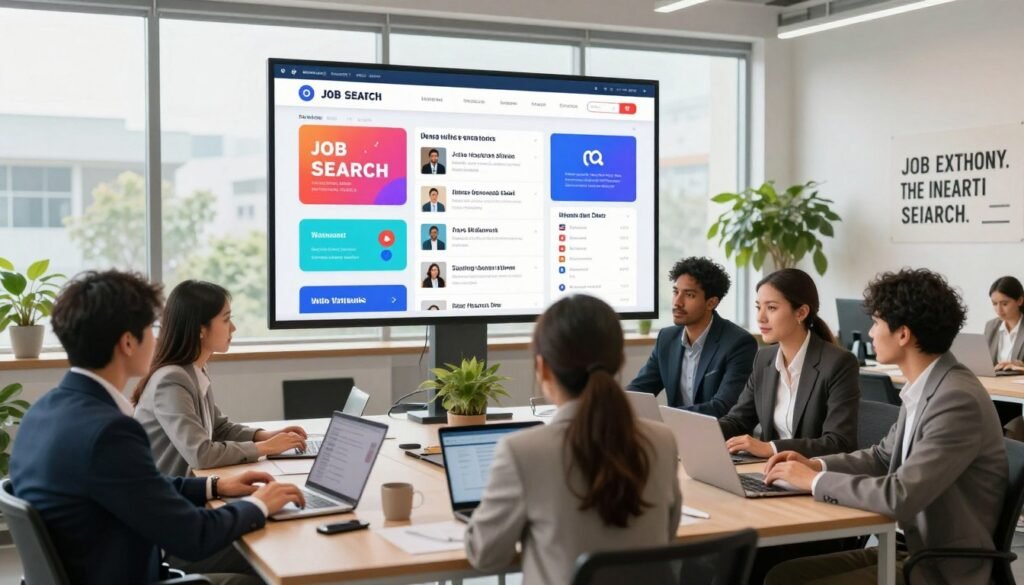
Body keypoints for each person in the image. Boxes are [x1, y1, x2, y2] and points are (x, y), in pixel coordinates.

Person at [9, 270, 305, 585]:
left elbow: (139, 486)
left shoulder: (42, 412)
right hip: (136, 573)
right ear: (127, 343)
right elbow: (193, 535)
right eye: (151, 329)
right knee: (270, 565)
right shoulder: (109, 433)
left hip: (102, 567)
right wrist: (259, 504)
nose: (158, 337)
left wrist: (213, 487)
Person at [764, 268, 1008, 585]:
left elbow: (900, 495)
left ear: (903, 334)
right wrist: (814, 463)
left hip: (937, 564)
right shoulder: (927, 385)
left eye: (877, 323)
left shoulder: (956, 400)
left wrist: (814, 481)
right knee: (782, 575)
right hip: (903, 548)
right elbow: (881, 457)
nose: (869, 333)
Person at [465, 294, 682, 584]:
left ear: (542, 367)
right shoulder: (662, 441)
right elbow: (665, 536)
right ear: (620, 362)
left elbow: (484, 555)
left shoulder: (522, 451)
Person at [133, 280, 308, 477]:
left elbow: (218, 428)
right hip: (169, 498)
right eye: (226, 320)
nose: (233, 328)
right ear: (200, 329)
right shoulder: (171, 381)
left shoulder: (194, 370)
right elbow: (201, 454)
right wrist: (265, 448)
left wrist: (266, 436)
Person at [719, 268, 860, 459]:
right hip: (769, 471)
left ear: (801, 312)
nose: (760, 317)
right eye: (758, 307)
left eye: (771, 308)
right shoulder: (764, 360)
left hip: (811, 476)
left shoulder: (839, 363)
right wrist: (695, 431)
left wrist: (771, 448)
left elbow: (838, 442)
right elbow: (738, 421)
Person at [627, 257, 757, 416]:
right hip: (676, 433)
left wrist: (663, 416)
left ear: (711, 303)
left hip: (720, 436)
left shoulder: (738, 343)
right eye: (676, 292)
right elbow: (639, 391)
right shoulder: (666, 338)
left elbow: (723, 407)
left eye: (689, 295)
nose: (677, 302)